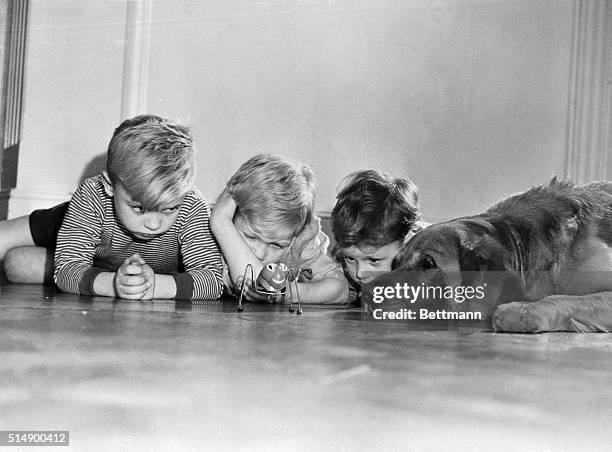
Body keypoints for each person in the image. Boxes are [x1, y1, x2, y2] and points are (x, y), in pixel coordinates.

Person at [1, 114, 224, 301]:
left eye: (169, 209)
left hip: (107, 263)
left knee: (16, 265)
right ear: (109, 185)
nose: (154, 224)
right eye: (138, 208)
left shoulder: (191, 205)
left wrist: (153, 286)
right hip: (81, 222)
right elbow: (66, 270)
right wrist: (114, 285)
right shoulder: (93, 195)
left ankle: (90, 264)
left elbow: (214, 280)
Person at [211, 154, 348, 304]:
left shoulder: (299, 238)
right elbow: (254, 280)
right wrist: (220, 221)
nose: (261, 253)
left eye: (277, 245)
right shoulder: (214, 229)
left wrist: (286, 293)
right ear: (232, 213)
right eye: (251, 237)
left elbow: (340, 291)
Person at [331, 169, 428, 302]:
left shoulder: (434, 256)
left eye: (374, 260)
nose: (359, 273)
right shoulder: (343, 254)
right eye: (351, 259)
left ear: (408, 240)